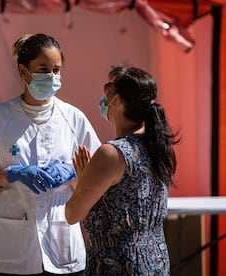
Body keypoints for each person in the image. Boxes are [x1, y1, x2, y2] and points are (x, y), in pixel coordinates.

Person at [0, 33, 101, 275]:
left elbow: (95, 184)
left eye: (56, 70)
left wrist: (72, 173)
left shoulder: (74, 119)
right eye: (43, 69)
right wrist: (9, 174)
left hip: (62, 249)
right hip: (6, 253)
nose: (52, 76)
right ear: (23, 71)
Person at [66, 64, 179, 275]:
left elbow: (73, 214)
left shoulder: (112, 153)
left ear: (116, 101)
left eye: (108, 92)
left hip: (118, 264)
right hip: (155, 260)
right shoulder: (159, 147)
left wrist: (82, 181)